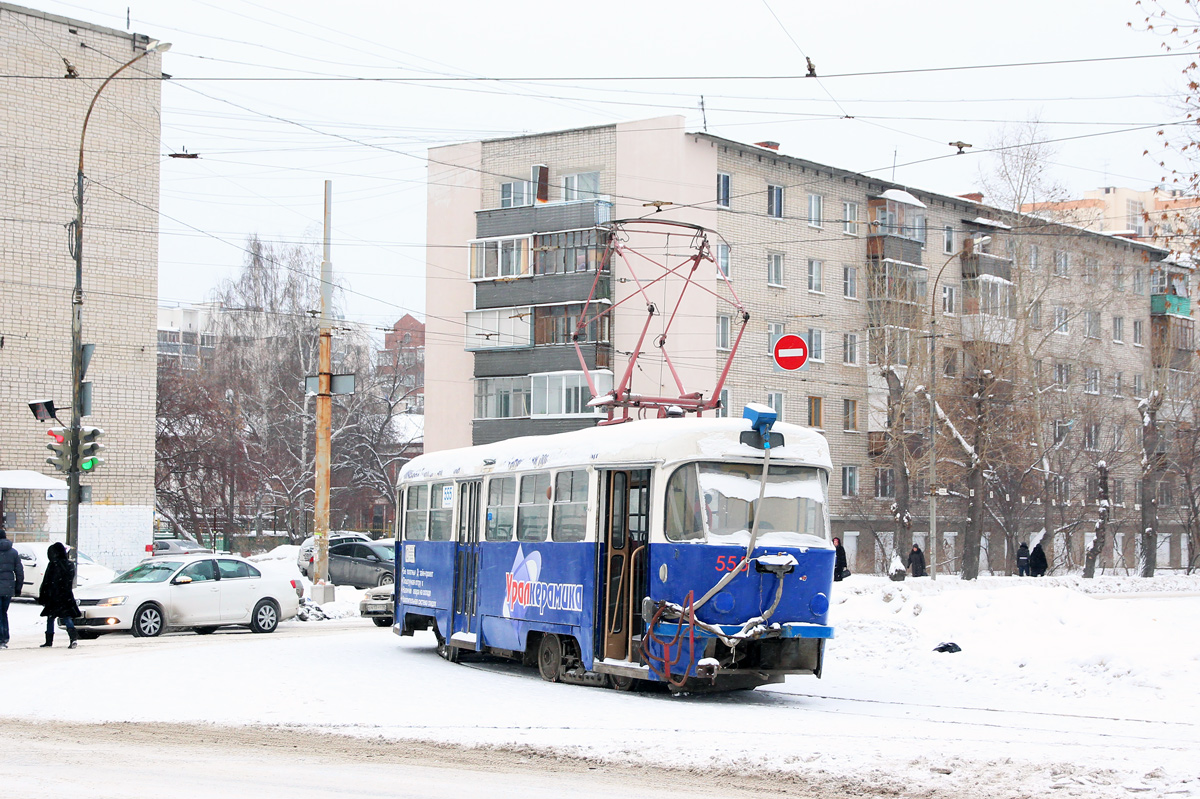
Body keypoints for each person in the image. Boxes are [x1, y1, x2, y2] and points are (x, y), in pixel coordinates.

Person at [36, 542, 80, 649]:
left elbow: (47, 581)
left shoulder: (53, 564)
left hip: (53, 596)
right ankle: (73, 638)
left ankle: (49, 641)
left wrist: (44, 595)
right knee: (66, 617)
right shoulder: (70, 565)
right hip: (65, 595)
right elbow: (69, 580)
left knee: (50, 618)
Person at [0, 530, 24, 649]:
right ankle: (4, 637)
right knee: (4, 613)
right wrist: (18, 588)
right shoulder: (13, 553)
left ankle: (1, 639)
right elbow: (19, 572)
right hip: (8, 587)